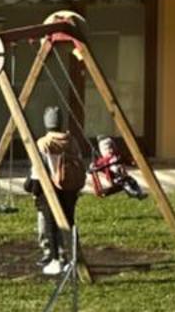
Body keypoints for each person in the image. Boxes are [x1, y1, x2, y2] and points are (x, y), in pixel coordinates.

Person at [28, 105, 87, 274]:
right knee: (69, 221)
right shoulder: (71, 141)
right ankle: (71, 258)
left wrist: (32, 187)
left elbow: (37, 168)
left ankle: (55, 260)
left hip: (51, 187)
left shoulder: (44, 143)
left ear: (47, 124)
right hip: (70, 187)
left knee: (51, 224)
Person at [90, 134, 147, 199]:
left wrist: (132, 162)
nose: (110, 150)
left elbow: (126, 160)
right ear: (103, 151)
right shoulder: (103, 160)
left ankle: (139, 192)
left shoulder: (118, 156)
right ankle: (134, 193)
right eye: (107, 149)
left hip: (124, 175)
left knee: (133, 181)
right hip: (115, 179)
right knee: (125, 184)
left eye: (112, 148)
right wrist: (93, 166)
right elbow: (96, 165)